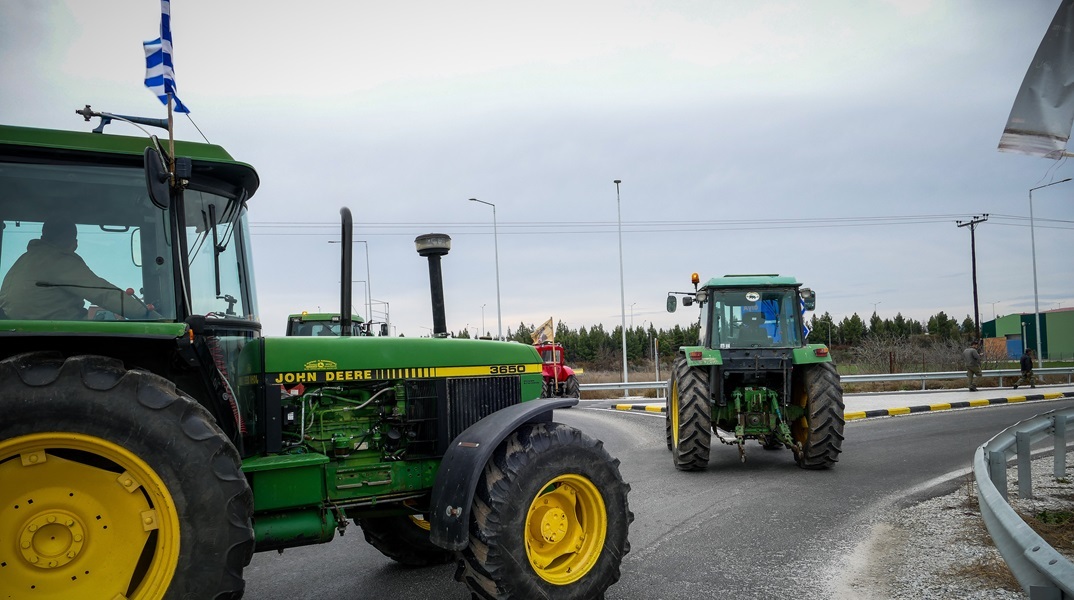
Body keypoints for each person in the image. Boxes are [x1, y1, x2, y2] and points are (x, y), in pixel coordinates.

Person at [0, 217, 156, 321]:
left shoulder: (26, 260)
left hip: (26, 330)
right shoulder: (58, 260)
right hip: (58, 334)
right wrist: (145, 313)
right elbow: (102, 293)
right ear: (72, 241)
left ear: (43, 237)